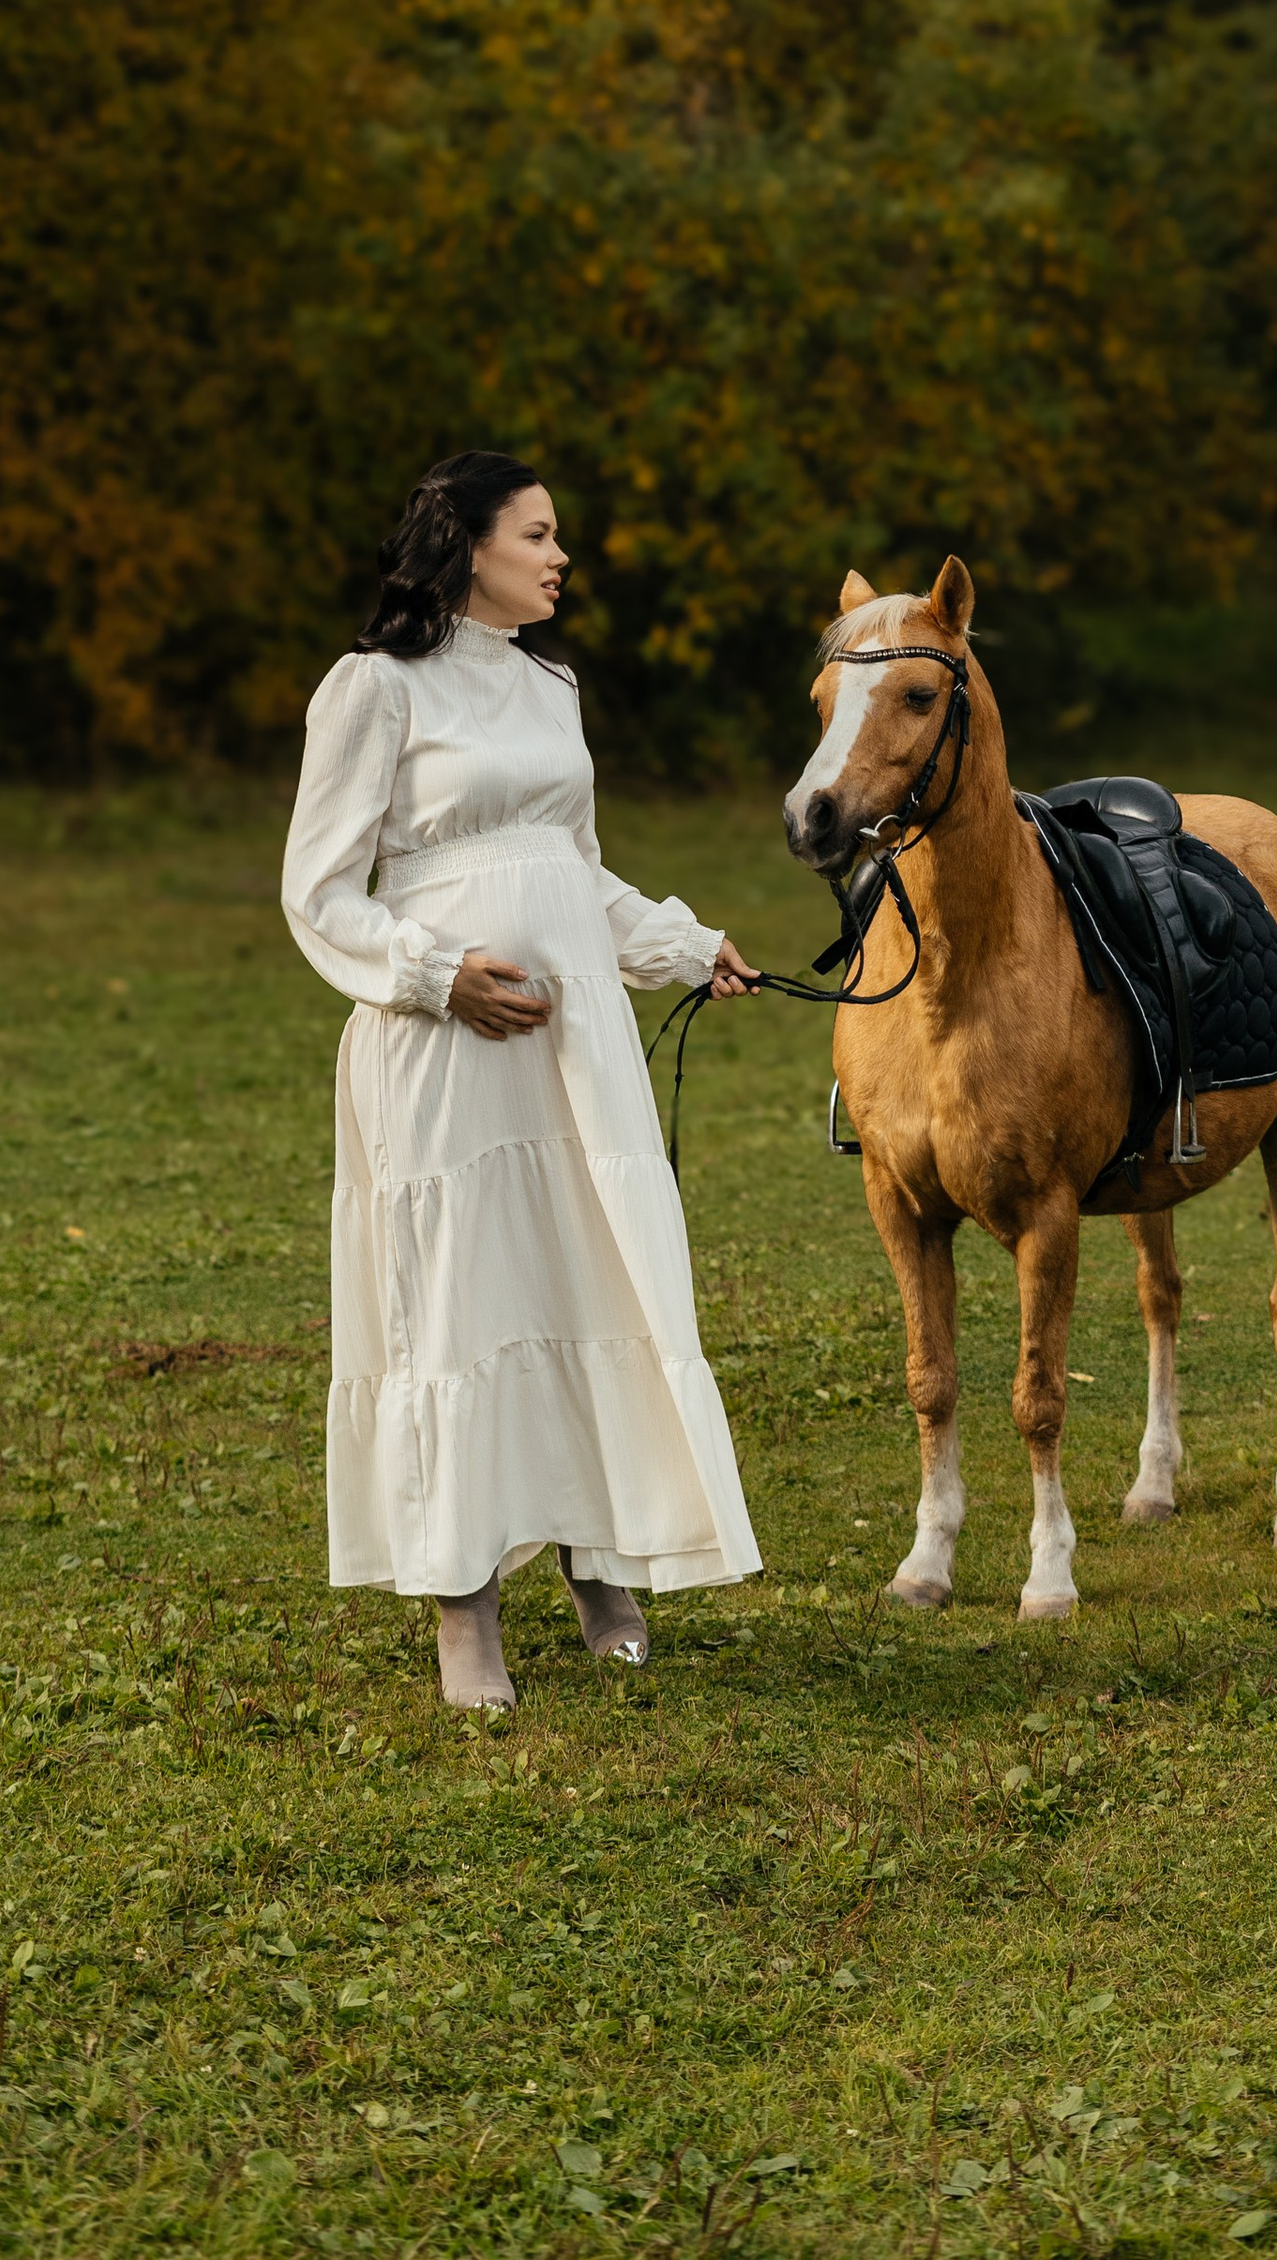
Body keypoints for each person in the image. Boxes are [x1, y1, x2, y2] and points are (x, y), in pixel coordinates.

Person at [283, 451, 765, 1712]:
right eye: (538, 533)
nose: (559, 557)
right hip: (448, 1053)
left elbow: (571, 870)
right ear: (468, 543)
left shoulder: (554, 688)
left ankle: (597, 1561)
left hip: (574, 1047)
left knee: (581, 1280)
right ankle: (463, 1605)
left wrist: (680, 941)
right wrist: (437, 973)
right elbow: (319, 889)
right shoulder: (372, 688)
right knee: (461, 1301)